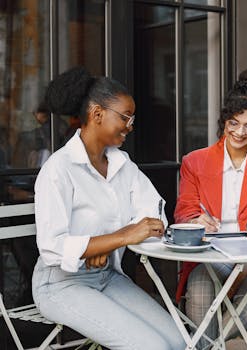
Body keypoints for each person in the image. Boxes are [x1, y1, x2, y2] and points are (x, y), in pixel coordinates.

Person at [31, 66, 185, 350]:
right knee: (153, 347)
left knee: (181, 341)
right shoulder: (58, 169)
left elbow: (153, 217)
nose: (130, 125)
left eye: (132, 118)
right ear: (97, 114)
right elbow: (52, 247)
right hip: (60, 284)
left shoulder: (122, 165)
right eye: (125, 117)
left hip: (107, 276)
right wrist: (119, 237)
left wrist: (101, 246)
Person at [174, 69, 247, 346]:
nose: (240, 132)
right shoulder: (195, 161)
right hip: (211, 256)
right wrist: (195, 220)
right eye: (233, 123)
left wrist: (246, 260)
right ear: (223, 121)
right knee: (202, 291)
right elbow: (185, 210)